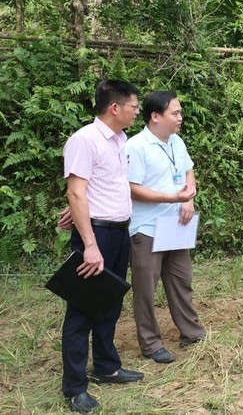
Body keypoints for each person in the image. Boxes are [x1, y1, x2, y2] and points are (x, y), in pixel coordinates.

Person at [61, 79, 144, 413]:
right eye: (134, 107)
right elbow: (76, 191)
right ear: (115, 108)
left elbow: (98, 187)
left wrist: (81, 206)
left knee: (110, 301)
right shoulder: (85, 140)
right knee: (82, 308)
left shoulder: (120, 140)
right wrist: (90, 246)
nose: (137, 112)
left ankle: (107, 367)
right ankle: (75, 387)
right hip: (96, 236)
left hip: (118, 231)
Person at [126, 91, 206, 364]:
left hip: (177, 223)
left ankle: (191, 332)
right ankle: (150, 343)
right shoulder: (136, 147)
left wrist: (189, 199)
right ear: (155, 116)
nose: (180, 117)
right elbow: (132, 189)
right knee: (146, 289)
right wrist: (174, 197)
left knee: (181, 280)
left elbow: (188, 171)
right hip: (147, 228)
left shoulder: (177, 142)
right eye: (175, 113)